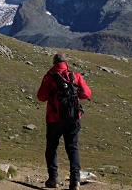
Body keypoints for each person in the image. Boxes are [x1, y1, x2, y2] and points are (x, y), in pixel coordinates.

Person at [37, 53, 92, 190]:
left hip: (54, 119)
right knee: (72, 148)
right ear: (66, 63)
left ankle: (54, 179)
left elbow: (41, 97)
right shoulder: (75, 76)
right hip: (73, 118)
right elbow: (86, 93)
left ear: (54, 62)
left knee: (52, 148)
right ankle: (75, 181)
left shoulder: (49, 77)